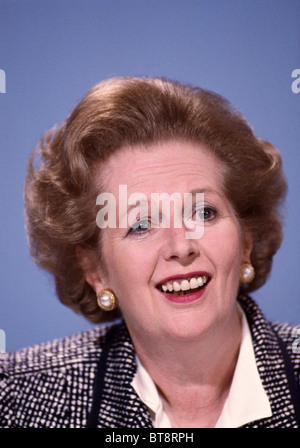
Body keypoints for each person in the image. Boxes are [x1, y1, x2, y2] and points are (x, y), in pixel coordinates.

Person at [0, 76, 299, 428]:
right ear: (95, 269)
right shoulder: (17, 400)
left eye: (204, 212)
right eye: (140, 225)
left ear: (246, 239)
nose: (181, 246)